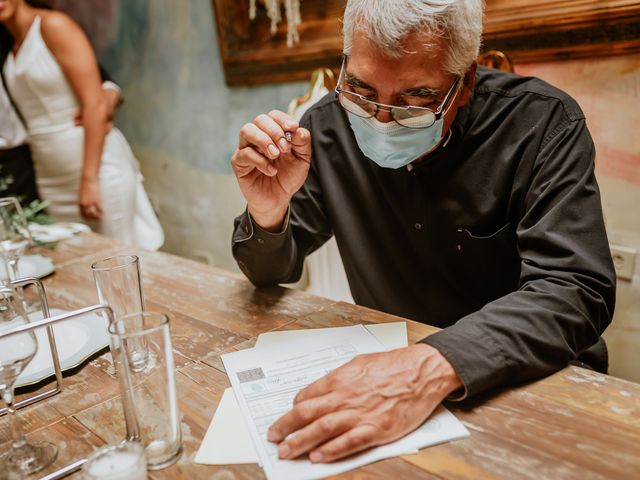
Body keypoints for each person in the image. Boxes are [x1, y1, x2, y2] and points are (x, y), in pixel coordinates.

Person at [231, 0, 616, 464]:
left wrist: (430, 366)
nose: (381, 119)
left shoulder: (542, 123)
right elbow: (270, 272)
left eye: (415, 100)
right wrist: (268, 212)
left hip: (523, 379)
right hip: (385, 379)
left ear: (466, 82)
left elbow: (575, 289)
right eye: (360, 88)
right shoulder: (326, 126)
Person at [0, 0, 163, 249]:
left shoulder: (53, 25)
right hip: (47, 177)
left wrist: (89, 180)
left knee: (119, 256)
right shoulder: (8, 44)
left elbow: (95, 96)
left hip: (94, 169)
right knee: (75, 261)